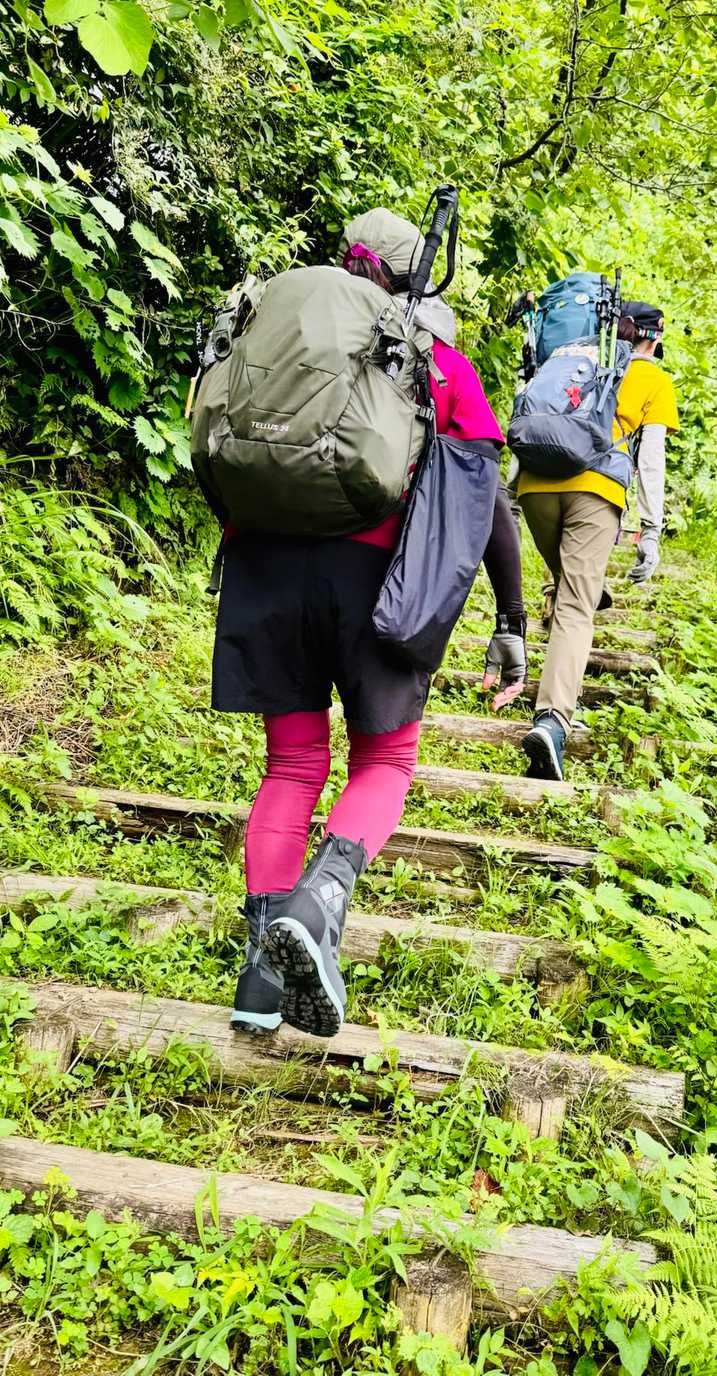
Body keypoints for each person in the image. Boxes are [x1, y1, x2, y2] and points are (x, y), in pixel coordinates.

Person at [212, 208, 526, 1039]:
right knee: (386, 759)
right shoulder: (432, 358)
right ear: (413, 275)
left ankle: (258, 980)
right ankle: (320, 902)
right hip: (374, 578)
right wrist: (511, 615)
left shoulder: (274, 335)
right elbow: (486, 495)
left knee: (291, 765)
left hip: (263, 566)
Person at [516, 300, 678, 781]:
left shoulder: (569, 358)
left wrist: (511, 491)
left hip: (536, 485)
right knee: (576, 605)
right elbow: (650, 459)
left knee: (569, 582)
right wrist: (650, 529)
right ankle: (553, 719)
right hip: (596, 489)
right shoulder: (651, 377)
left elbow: (531, 411)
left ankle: (562, 605)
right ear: (651, 338)